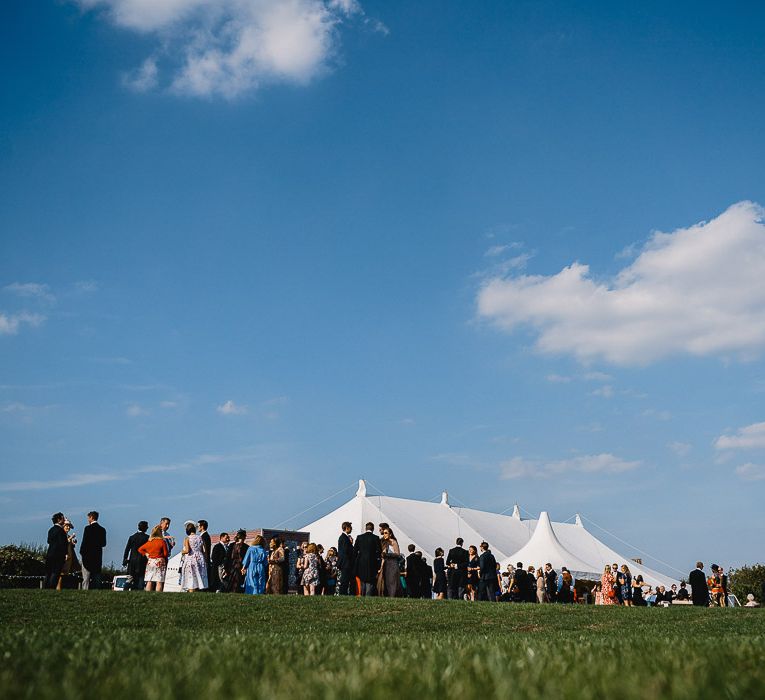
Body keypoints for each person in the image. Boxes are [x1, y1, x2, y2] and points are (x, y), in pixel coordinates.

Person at [79, 511, 107, 590]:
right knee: (96, 576)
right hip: (97, 555)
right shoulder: (102, 530)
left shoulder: (87, 528)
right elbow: (104, 543)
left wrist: (82, 552)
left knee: (86, 577)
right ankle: (96, 590)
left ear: (91, 517)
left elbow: (84, 541)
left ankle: (85, 590)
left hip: (87, 555)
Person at [353, 522, 381, 596]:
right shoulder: (376, 538)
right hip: (372, 562)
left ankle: (362, 595)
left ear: (366, 528)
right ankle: (368, 596)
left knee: (362, 580)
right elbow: (379, 551)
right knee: (370, 581)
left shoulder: (359, 537)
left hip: (361, 562)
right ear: (373, 529)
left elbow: (355, 551)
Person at [139, 525, 169, 592]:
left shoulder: (149, 542)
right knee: (159, 581)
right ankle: (158, 595)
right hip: (159, 562)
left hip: (150, 562)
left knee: (149, 580)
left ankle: (147, 594)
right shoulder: (162, 542)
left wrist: (146, 554)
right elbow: (165, 554)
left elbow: (140, 549)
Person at [179, 522, 208, 592]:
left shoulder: (187, 538)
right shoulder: (200, 538)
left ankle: (191, 591)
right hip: (200, 558)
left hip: (191, 558)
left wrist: (182, 552)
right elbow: (204, 550)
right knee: (198, 576)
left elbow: (187, 550)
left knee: (191, 576)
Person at [122, 521, 149, 591]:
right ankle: (138, 591)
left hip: (132, 561)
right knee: (140, 578)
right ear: (145, 528)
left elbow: (127, 549)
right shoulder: (147, 538)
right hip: (142, 560)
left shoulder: (132, 537)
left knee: (130, 578)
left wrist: (125, 559)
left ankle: (125, 589)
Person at [45, 512, 68, 589]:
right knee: (55, 573)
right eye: (63, 518)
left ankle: (46, 587)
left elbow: (48, 541)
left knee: (48, 573)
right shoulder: (61, 531)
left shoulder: (51, 530)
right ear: (59, 520)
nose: (64, 520)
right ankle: (51, 587)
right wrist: (65, 553)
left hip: (50, 553)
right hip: (58, 555)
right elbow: (63, 544)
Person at [378, 527, 403, 597]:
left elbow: (397, 554)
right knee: (386, 582)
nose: (384, 535)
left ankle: (393, 597)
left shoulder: (393, 542)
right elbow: (383, 557)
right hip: (386, 564)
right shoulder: (385, 543)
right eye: (383, 533)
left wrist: (387, 555)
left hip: (393, 564)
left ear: (390, 534)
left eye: (386, 533)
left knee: (392, 582)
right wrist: (381, 567)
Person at [57, 520, 81, 590]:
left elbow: (69, 545)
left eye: (69, 526)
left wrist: (73, 543)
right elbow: (63, 543)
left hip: (69, 556)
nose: (68, 527)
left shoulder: (67, 535)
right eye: (67, 526)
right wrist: (71, 538)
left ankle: (61, 587)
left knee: (65, 573)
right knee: (61, 573)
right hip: (64, 555)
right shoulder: (62, 534)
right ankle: (58, 588)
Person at [337, 521, 355, 596]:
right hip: (346, 563)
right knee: (344, 580)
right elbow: (346, 551)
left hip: (345, 562)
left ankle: (344, 593)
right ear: (347, 528)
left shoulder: (344, 538)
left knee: (346, 580)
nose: (351, 529)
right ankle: (342, 594)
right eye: (350, 528)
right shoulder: (344, 538)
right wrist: (351, 544)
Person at [197, 520, 211, 591]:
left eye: (198, 526)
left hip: (204, 559)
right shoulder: (204, 536)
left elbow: (204, 549)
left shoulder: (204, 536)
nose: (197, 528)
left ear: (202, 527)